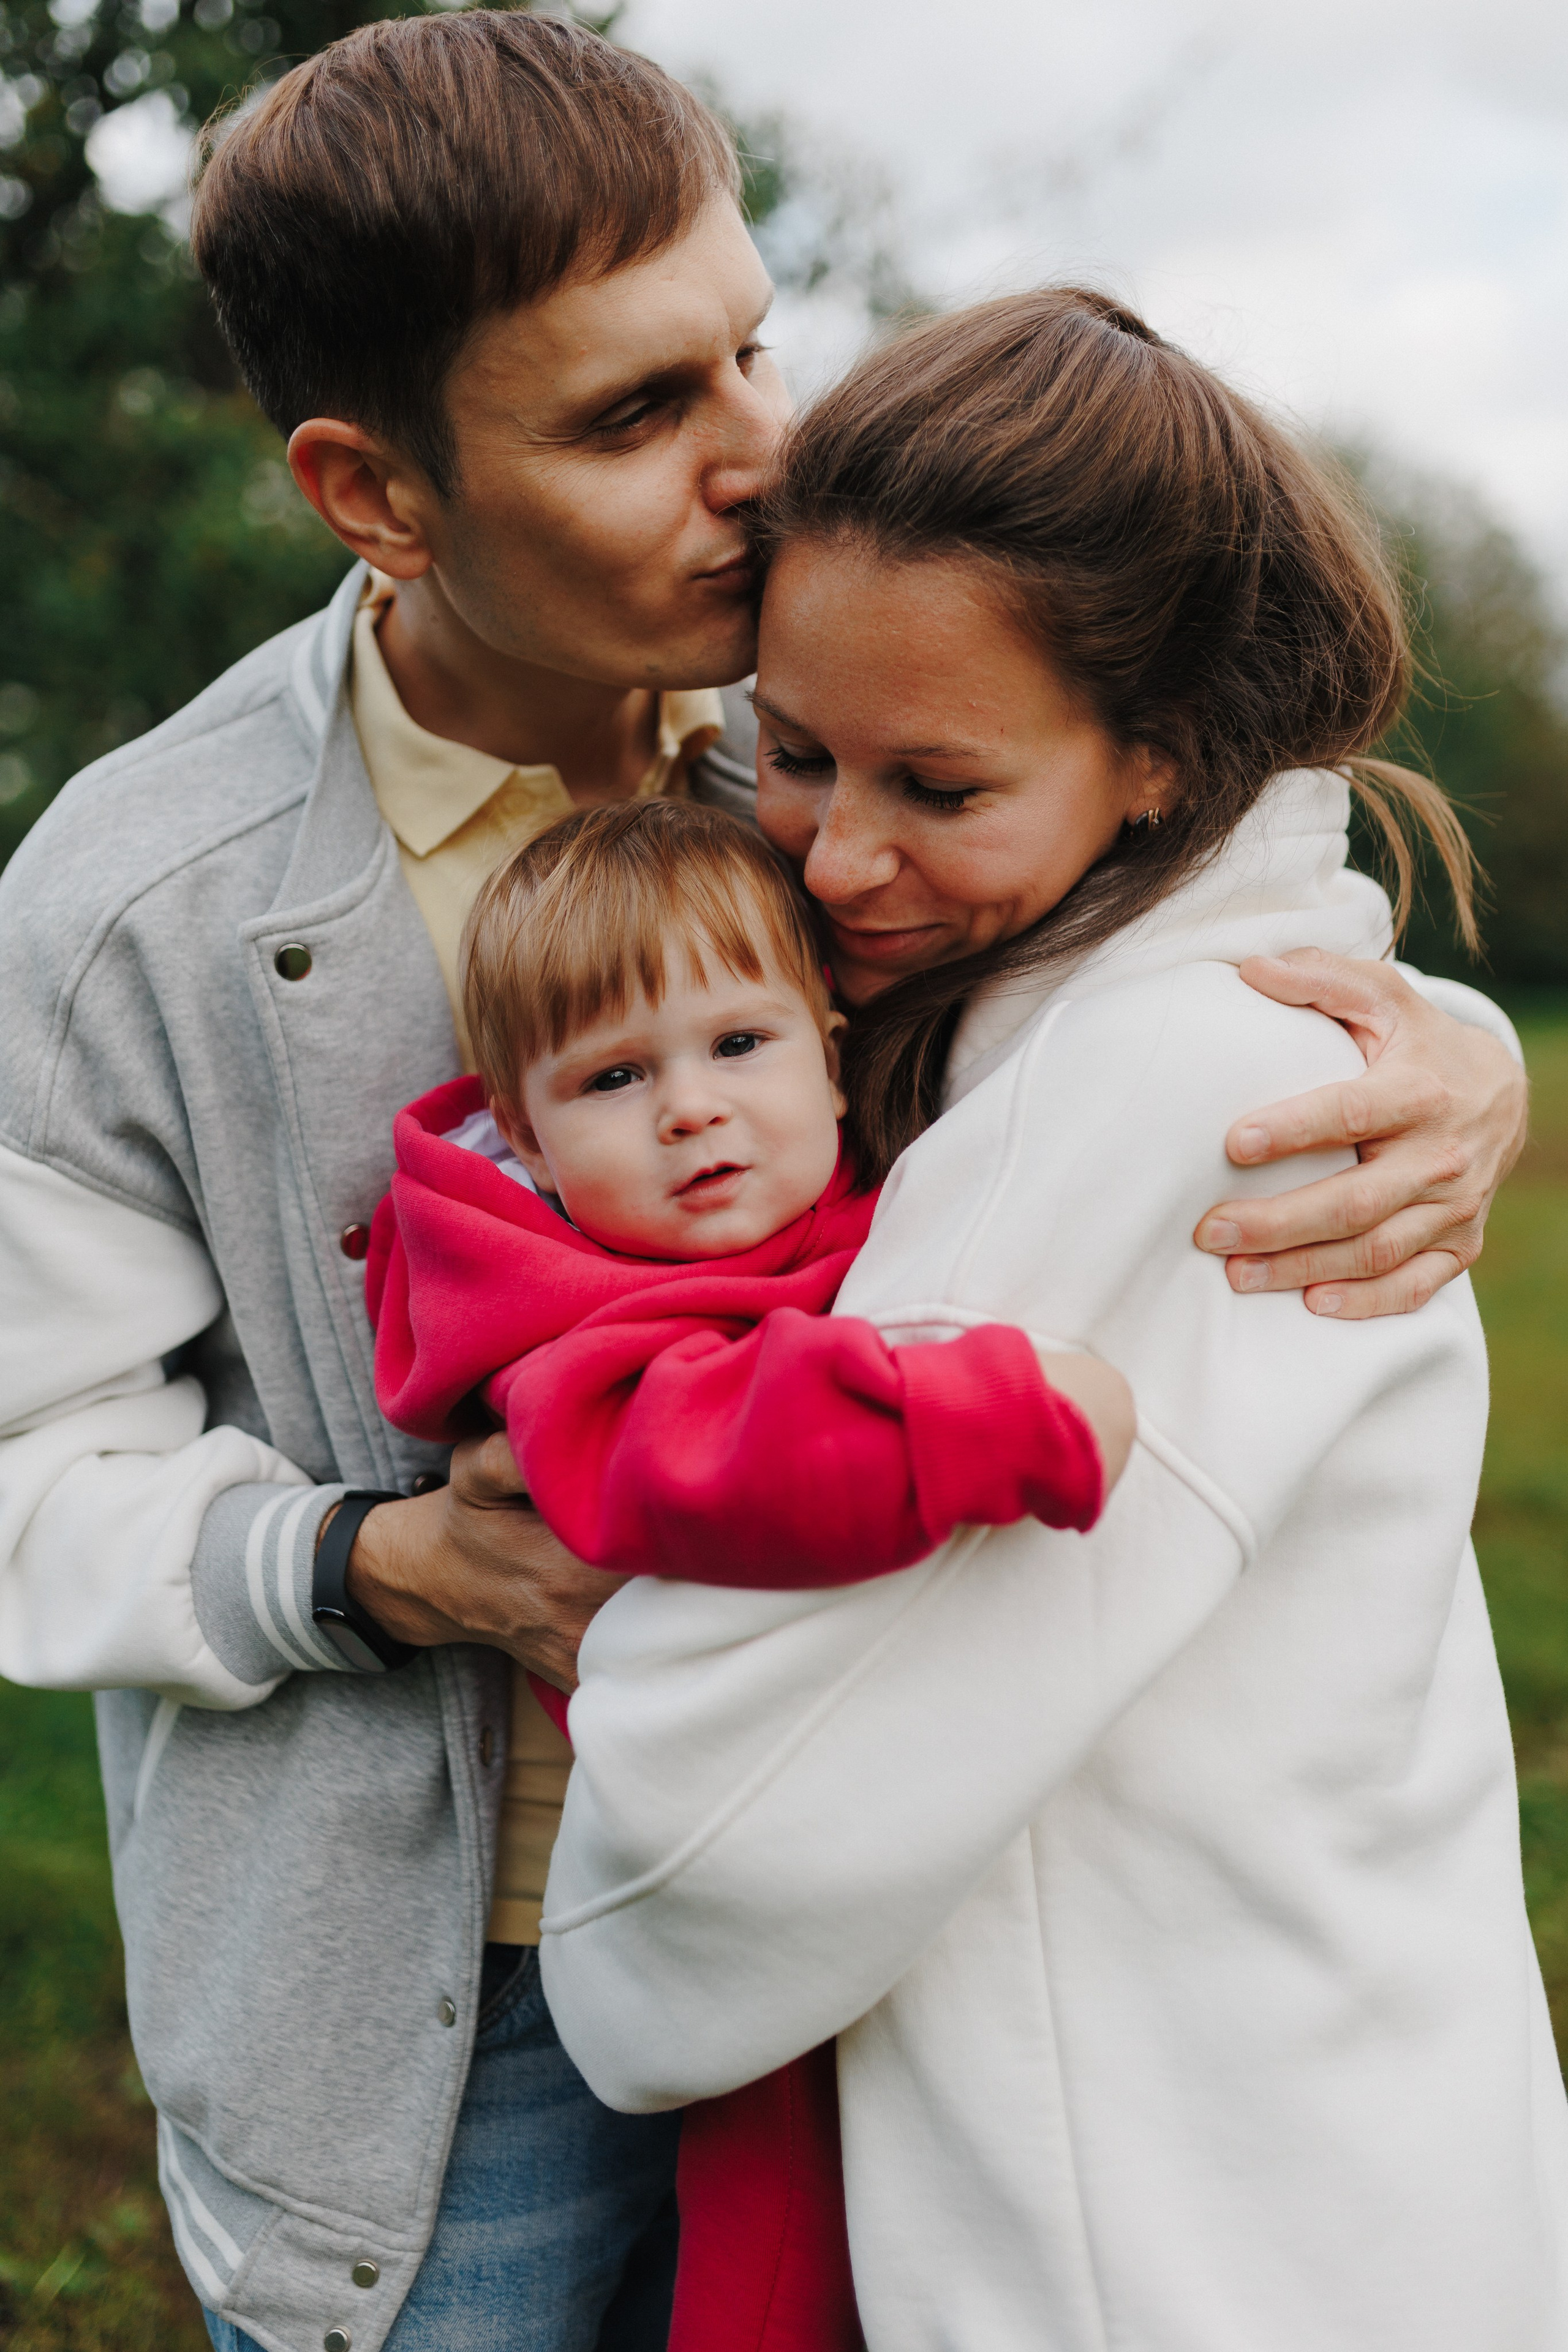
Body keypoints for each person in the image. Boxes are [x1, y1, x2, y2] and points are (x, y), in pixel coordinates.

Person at [0, 12, 1528, 2349]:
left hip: (863, 1939)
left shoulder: (812, 756)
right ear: (371, 491)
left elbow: (1143, 891)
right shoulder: (147, 904)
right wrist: (368, 1560)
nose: (757, 460)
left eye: (746, 348)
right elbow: (26, 1475)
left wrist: (1428, 1048)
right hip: (444, 2026)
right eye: (632, 415)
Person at [534, 291, 1568, 2352]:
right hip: (1354, 2152)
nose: (836, 854)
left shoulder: (1138, 1094)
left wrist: (610, 1896)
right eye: (795, 751)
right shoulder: (1178, 1013)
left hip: (1175, 2238)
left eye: (938, 784)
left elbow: (728, 1841)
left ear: (1162, 758)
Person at [370, 799, 1126, 1582]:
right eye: (614, 1078)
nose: (692, 1110)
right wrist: (994, 1422)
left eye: (737, 1044)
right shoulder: (561, 1333)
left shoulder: (921, 1142)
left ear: (831, 1067)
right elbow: (709, 1462)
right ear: (527, 1139)